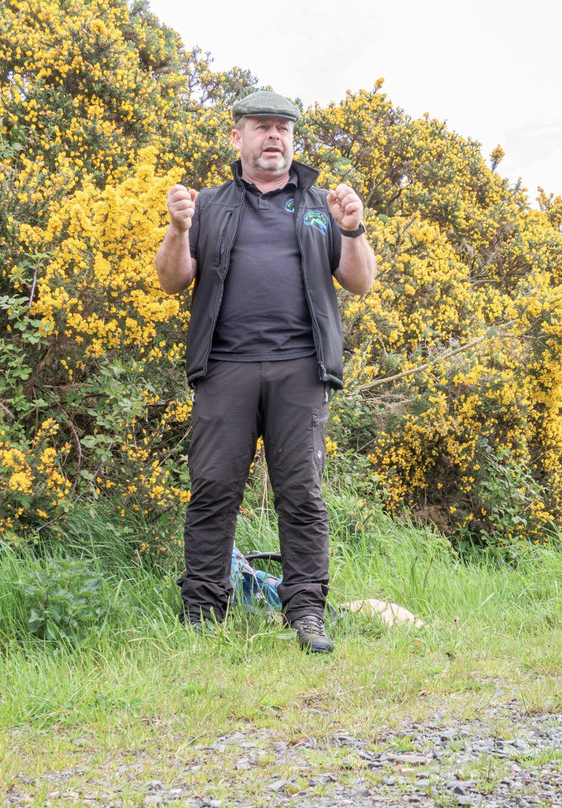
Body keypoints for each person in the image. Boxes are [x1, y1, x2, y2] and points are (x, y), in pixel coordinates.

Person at [154, 89, 376, 653]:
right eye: (261, 126)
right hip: (224, 368)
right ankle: (202, 614)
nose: (273, 136)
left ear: (293, 139)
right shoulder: (208, 205)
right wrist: (178, 229)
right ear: (238, 137)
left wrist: (352, 230)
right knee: (212, 491)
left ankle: (306, 614)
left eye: (283, 127)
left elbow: (360, 282)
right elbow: (172, 280)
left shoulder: (321, 206)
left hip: (301, 371)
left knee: (301, 495)